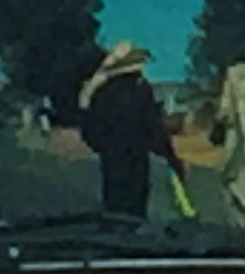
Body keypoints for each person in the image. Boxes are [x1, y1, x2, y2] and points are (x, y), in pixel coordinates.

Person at [78, 41, 183, 219]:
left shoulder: (102, 93)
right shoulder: (141, 91)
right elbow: (153, 128)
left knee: (114, 206)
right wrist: (170, 157)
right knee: (135, 209)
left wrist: (105, 148)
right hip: (136, 158)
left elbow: (90, 132)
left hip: (112, 160)